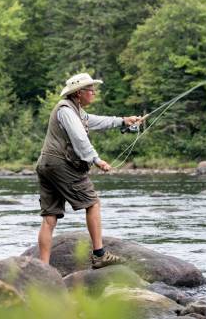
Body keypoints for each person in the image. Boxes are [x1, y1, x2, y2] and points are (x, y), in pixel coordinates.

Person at [35, 73, 142, 269]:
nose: (94, 93)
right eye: (90, 89)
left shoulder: (75, 111)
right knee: (92, 203)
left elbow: (96, 121)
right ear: (78, 93)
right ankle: (99, 254)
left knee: (49, 217)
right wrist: (96, 159)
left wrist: (123, 121)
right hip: (61, 164)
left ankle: (43, 269)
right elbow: (79, 139)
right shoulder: (67, 111)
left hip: (47, 164)